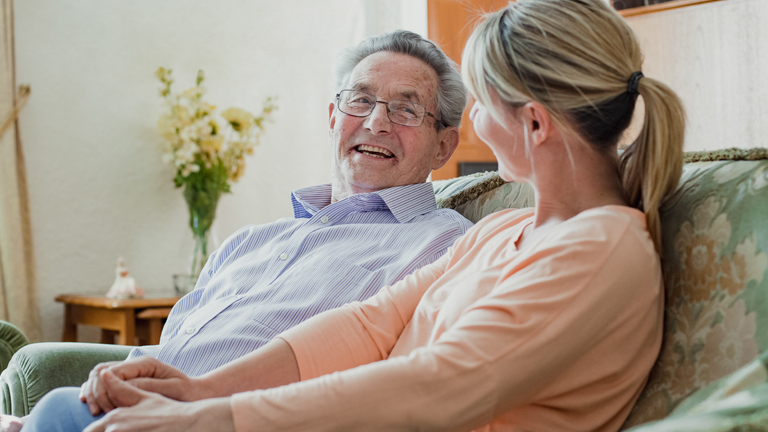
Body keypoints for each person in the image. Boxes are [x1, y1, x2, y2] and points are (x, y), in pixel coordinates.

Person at [22, 0, 687, 430]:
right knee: (62, 414)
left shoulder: (602, 251)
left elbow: (441, 388)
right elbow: (368, 327)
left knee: (61, 417)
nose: (476, 126)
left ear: (535, 123)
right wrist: (202, 393)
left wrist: (214, 418)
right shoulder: (507, 230)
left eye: (478, 106)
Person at [0, 29, 472, 432]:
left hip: (238, 421)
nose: (376, 122)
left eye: (406, 110)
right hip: (136, 415)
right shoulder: (250, 241)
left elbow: (398, 382)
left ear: (443, 146)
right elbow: (173, 353)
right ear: (333, 118)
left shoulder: (444, 244)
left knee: (58, 411)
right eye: (361, 100)